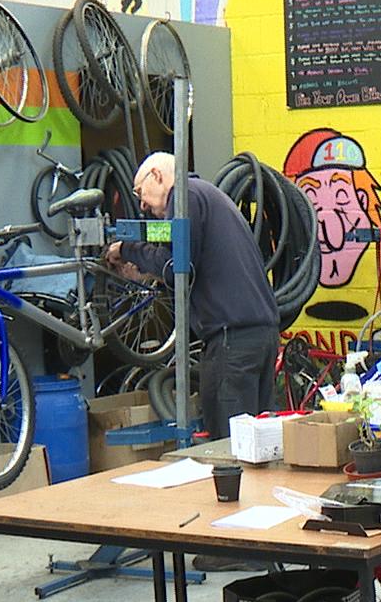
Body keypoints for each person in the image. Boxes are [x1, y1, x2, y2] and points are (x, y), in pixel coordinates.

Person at [106, 151, 278, 442]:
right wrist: (147, 275)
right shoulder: (205, 194)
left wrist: (126, 249)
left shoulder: (184, 196)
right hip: (258, 336)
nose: (142, 205)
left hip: (232, 340)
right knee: (256, 444)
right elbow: (189, 266)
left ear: (157, 176)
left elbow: (176, 264)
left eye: (140, 192)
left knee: (230, 445)